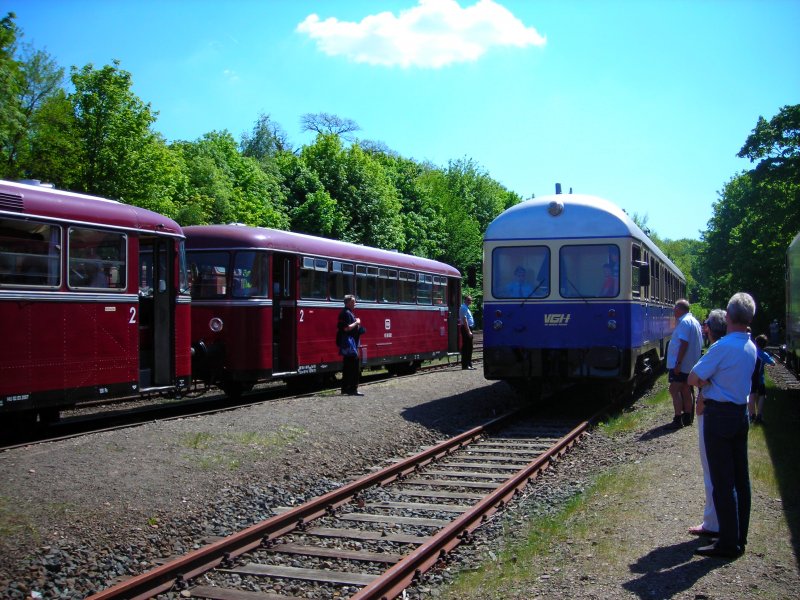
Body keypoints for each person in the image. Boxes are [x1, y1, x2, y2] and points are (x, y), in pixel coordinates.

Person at [688, 292, 757, 558]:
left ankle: (727, 542)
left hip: (719, 417)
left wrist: (711, 384)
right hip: (740, 415)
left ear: (728, 316)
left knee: (722, 481)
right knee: (741, 479)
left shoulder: (722, 346)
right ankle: (740, 536)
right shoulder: (750, 346)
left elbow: (694, 377)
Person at [688, 308, 726, 538]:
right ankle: (723, 522)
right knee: (726, 471)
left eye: (706, 325)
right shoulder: (745, 346)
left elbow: (694, 378)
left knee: (712, 470)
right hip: (734, 415)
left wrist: (703, 387)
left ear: (709, 329)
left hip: (714, 414)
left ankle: (713, 523)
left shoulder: (717, 350)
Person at [666, 299, 703, 428]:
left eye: (675, 307)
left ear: (680, 309)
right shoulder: (694, 322)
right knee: (685, 389)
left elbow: (684, 343)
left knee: (673, 389)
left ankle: (677, 419)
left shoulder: (684, 322)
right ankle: (687, 417)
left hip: (682, 364)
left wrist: (678, 363)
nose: (673, 310)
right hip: (690, 364)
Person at [337, 295, 364, 396]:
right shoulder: (346, 313)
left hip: (350, 343)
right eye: (353, 302)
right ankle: (353, 389)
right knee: (354, 367)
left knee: (348, 366)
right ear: (348, 302)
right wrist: (357, 322)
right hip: (350, 344)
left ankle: (345, 388)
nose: (355, 304)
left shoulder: (346, 313)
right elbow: (346, 328)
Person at [748, 334, 775, 424]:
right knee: (762, 395)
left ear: (756, 342)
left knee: (751, 394)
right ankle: (759, 414)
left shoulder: (751, 351)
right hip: (760, 378)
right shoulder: (763, 354)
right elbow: (772, 363)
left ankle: (752, 415)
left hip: (750, 377)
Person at [459, 295, 475, 370]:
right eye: (468, 300)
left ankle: (469, 364)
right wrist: (468, 331)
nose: (470, 301)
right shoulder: (463, 308)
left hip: (468, 328)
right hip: (466, 328)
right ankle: (465, 365)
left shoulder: (466, 308)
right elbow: (464, 320)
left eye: (471, 300)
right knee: (466, 347)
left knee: (470, 347)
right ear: (464, 300)